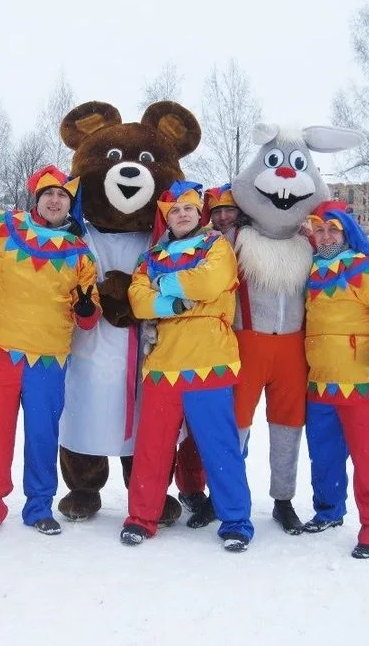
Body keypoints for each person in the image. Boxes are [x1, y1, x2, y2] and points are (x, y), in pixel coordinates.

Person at [120, 181, 253, 553]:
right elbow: (138, 299)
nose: (182, 215)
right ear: (167, 218)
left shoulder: (216, 246)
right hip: (164, 364)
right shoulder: (150, 257)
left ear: (199, 215)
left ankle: (236, 520)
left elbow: (210, 281)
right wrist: (172, 305)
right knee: (152, 447)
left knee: (219, 446)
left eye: (189, 209)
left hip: (209, 360)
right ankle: (141, 518)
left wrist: (163, 284)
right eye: (175, 210)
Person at [0, 166, 100, 539]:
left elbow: (89, 313)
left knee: (42, 435)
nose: (55, 200)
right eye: (49, 194)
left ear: (69, 205)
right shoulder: (2, 227)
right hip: (3, 349)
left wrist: (87, 311)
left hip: (49, 357)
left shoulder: (80, 252)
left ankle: (39, 506)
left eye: (62, 196)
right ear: (37, 199)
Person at [303, 202, 369, 559]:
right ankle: (329, 511)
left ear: (347, 232)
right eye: (319, 230)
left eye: (332, 229)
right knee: (324, 455)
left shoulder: (368, 270)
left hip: (363, 383)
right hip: (320, 384)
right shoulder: (311, 272)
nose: (325, 236)